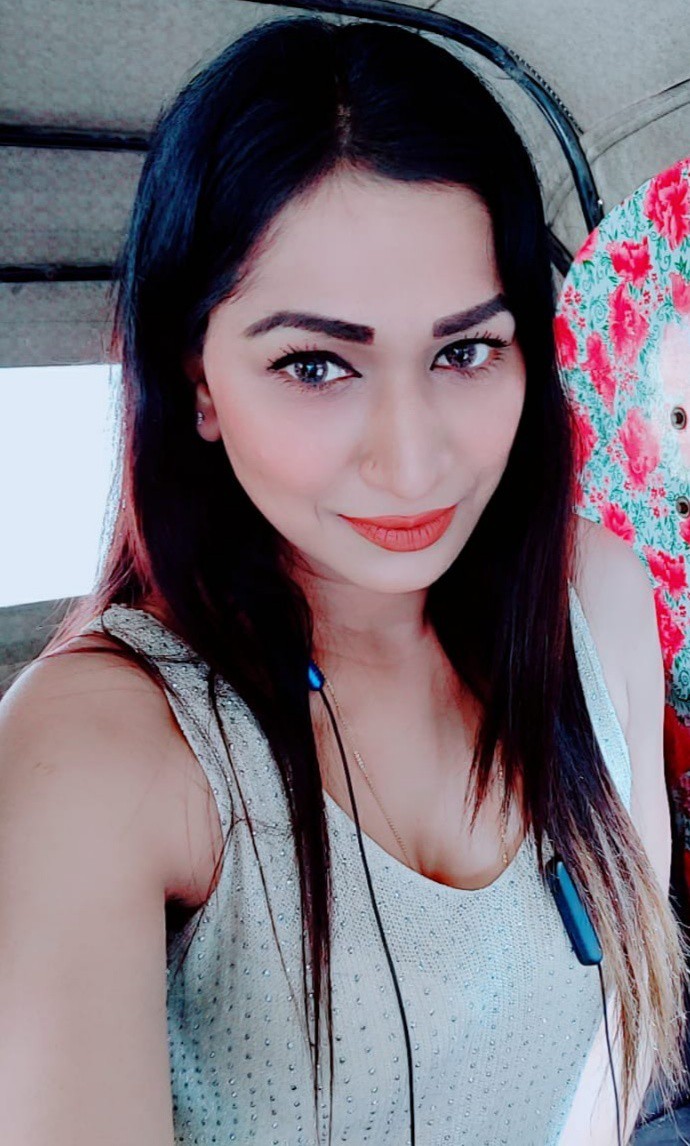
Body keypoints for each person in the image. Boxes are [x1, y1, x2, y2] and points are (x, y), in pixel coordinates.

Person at [0, 15, 686, 1146]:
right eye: (315, 364)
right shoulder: (101, 747)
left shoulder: (597, 603)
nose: (412, 464)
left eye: (465, 351)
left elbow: (614, 1066)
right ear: (199, 383)